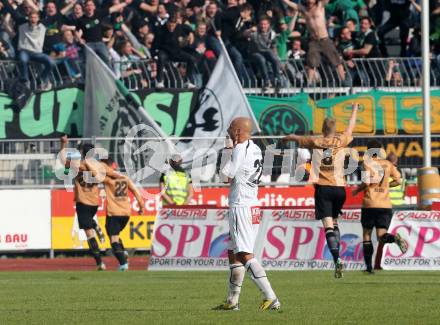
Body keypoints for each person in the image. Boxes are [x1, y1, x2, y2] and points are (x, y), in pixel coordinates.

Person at [282, 103, 359, 278]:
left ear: (322, 129)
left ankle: (337, 258)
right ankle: (338, 256)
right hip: (340, 188)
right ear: (334, 129)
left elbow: (296, 137)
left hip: (323, 188)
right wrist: (354, 109)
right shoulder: (341, 140)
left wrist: (287, 138)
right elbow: (351, 126)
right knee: (335, 221)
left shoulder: (315, 141)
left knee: (328, 226)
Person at [215, 117, 280, 311]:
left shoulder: (238, 149)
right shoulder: (255, 147)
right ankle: (232, 301)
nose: (227, 130)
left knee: (243, 254)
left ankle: (271, 297)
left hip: (240, 206)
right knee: (233, 253)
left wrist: (227, 151)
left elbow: (225, 177)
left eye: (230, 128)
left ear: (237, 132)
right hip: (252, 205)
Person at [60, 135, 122, 270]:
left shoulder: (79, 166)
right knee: (89, 225)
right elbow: (114, 174)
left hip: (83, 203)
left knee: (89, 234)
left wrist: (63, 144)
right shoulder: (99, 167)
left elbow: (63, 159)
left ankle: (100, 262)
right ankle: (94, 224)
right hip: (94, 203)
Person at [352, 140, 408, 273]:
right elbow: (398, 180)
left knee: (366, 234)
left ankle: (369, 268)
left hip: (370, 203)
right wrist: (388, 186)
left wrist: (357, 190)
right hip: (385, 205)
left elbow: (366, 182)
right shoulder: (388, 164)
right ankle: (394, 238)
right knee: (381, 235)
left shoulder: (367, 163)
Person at [282, 0, 347, 85]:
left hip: (324, 39)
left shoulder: (320, 5)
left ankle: (345, 83)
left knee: (337, 62)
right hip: (313, 41)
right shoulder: (304, 9)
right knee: (311, 64)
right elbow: (293, 5)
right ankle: (309, 85)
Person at [98, 159, 145, 271]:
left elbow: (95, 174)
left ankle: (123, 264)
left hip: (114, 213)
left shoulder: (107, 180)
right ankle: (123, 252)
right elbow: (135, 191)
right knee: (112, 233)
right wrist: (141, 206)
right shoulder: (125, 178)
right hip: (126, 213)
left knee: (113, 240)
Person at [17, 11, 55, 90]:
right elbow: (13, 12)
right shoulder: (22, 26)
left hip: (37, 53)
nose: (33, 19)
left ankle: (41, 79)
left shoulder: (42, 27)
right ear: (28, 18)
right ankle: (25, 81)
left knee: (51, 62)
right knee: (23, 59)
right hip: (25, 51)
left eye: (35, 17)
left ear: (38, 19)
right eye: (31, 17)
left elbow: (55, 16)